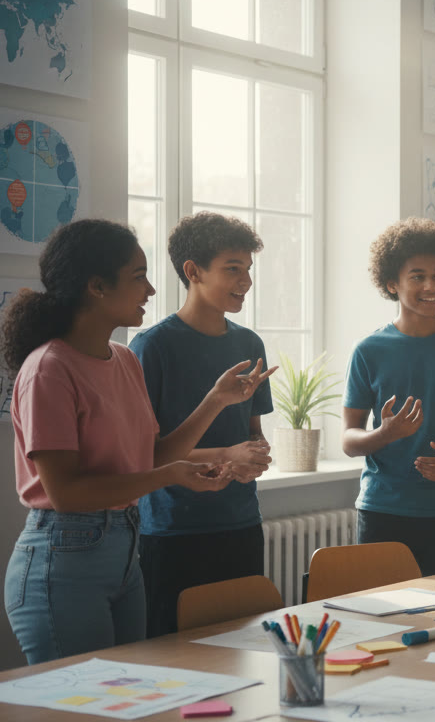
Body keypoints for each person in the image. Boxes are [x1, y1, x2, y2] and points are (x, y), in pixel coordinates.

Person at [2, 219, 269, 664]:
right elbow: (66, 494)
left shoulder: (124, 359)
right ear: (97, 287)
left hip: (124, 552)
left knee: (134, 689)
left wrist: (215, 401)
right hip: (64, 556)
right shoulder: (49, 369)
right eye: (138, 276)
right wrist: (170, 476)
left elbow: (151, 455)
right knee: (88, 697)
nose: (151, 289)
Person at [130, 212, 274, 637]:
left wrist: (255, 455)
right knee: (171, 652)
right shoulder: (151, 347)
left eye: (248, 269)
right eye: (233, 269)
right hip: (173, 530)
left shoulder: (249, 343)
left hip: (241, 523)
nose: (246, 280)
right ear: (193, 271)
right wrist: (227, 455)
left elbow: (252, 431)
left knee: (244, 648)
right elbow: (147, 456)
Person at [342, 218, 435, 576]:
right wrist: (385, 434)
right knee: (380, 609)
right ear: (391, 283)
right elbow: (348, 440)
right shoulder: (368, 350)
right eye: (418, 277)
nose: (431, 286)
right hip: (383, 511)